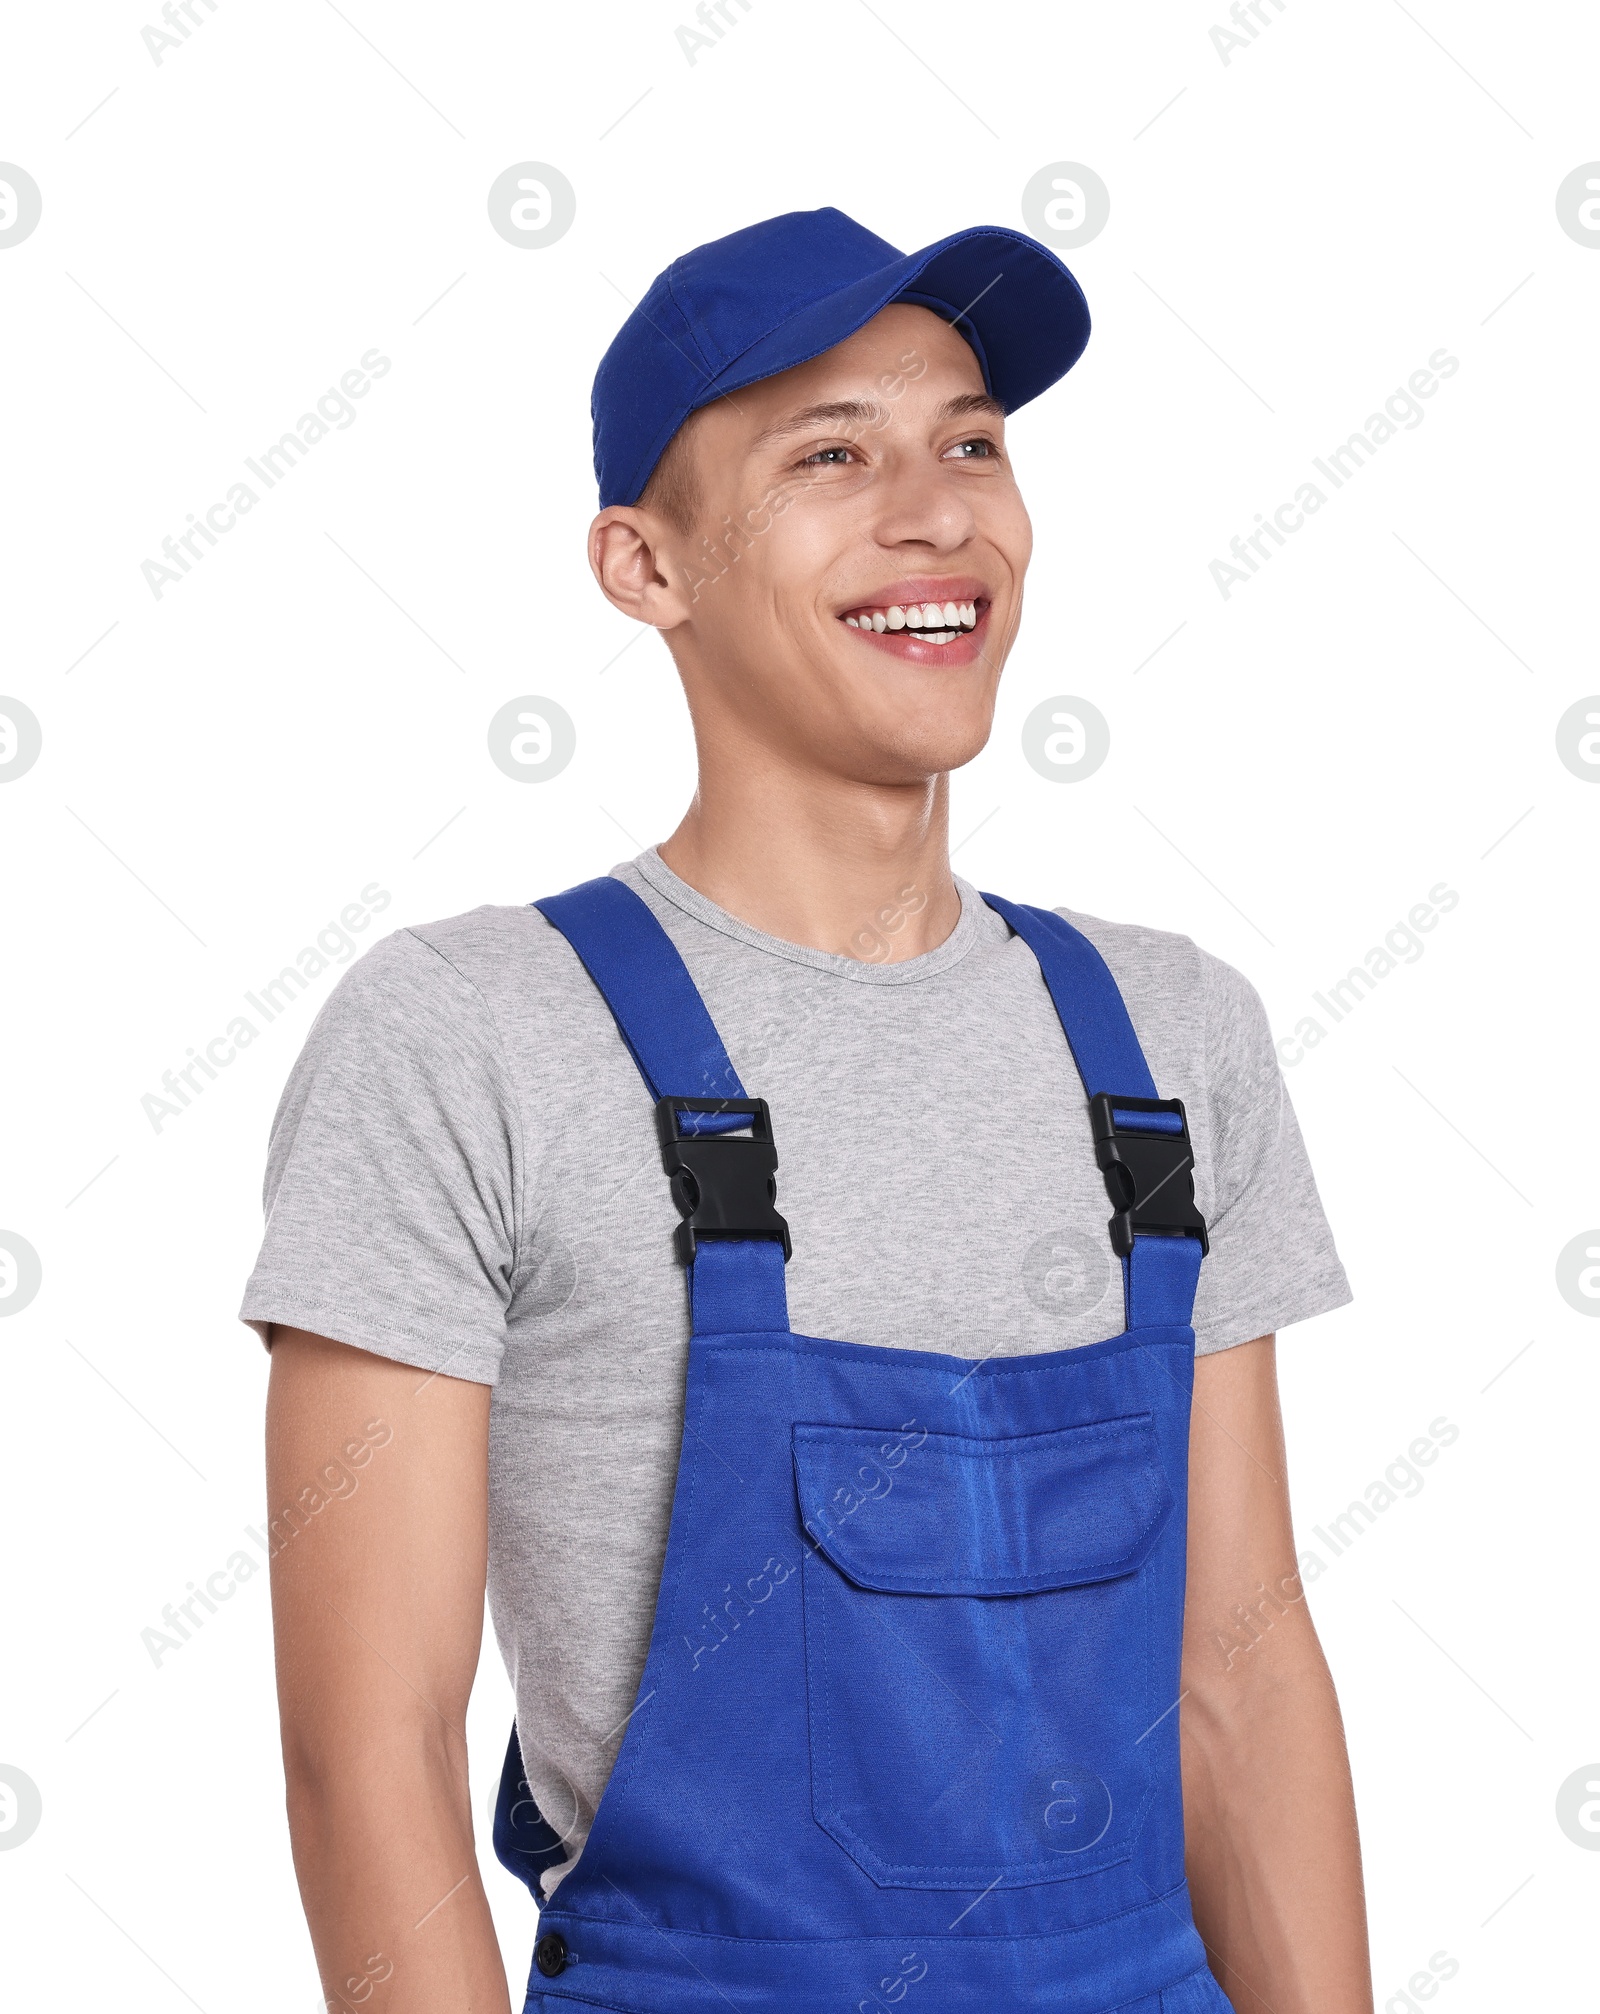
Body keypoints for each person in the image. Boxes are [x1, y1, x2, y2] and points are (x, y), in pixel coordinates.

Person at [245, 206, 1372, 2014]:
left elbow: (1242, 1672)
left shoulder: (1168, 1038)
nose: (936, 511)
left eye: (974, 441)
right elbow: (363, 1755)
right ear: (646, 567)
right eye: (832, 454)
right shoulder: (469, 1034)